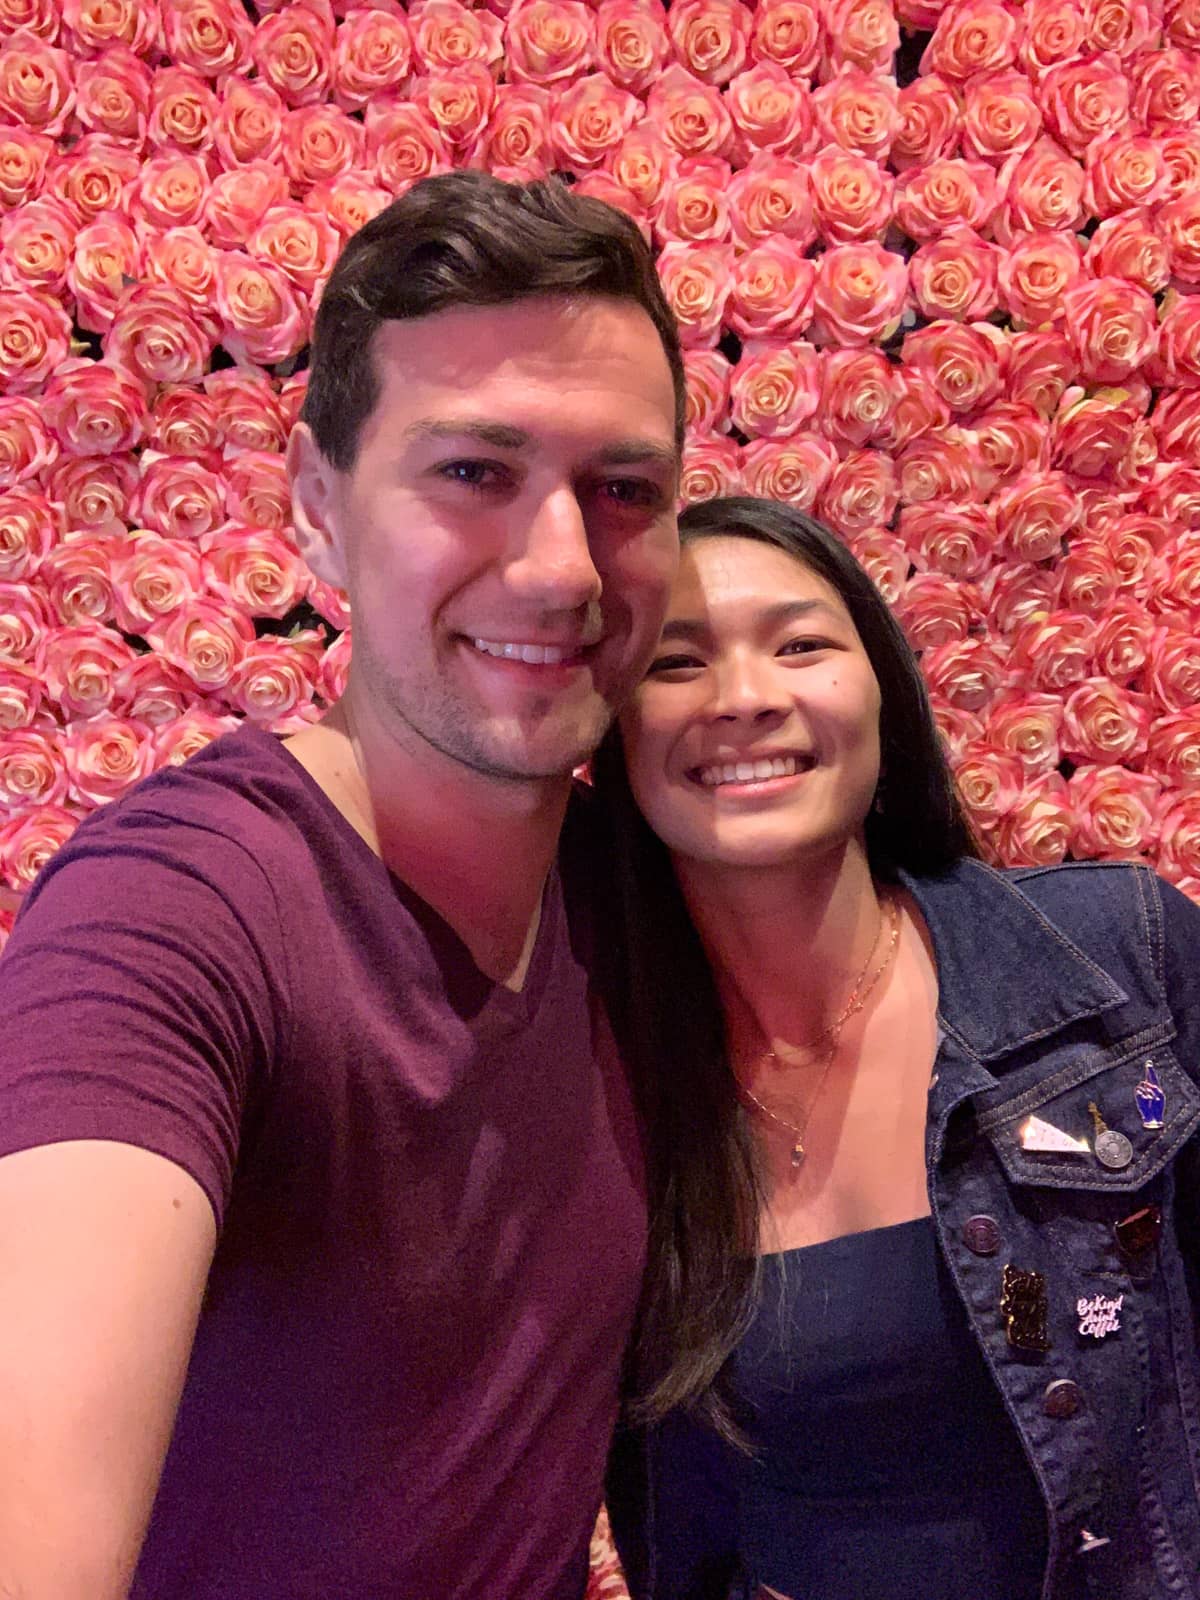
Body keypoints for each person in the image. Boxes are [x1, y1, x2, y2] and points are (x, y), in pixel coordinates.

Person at [0, 171, 684, 1599]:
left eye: (623, 490)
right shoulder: (181, 914)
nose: (563, 568)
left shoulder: (642, 892)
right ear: (317, 509)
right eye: (473, 473)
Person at [590, 496, 1200, 1600]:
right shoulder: (601, 1094)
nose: (744, 697)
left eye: (801, 644)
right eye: (675, 663)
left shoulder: (1120, 966)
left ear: (882, 689)